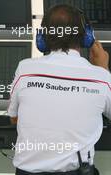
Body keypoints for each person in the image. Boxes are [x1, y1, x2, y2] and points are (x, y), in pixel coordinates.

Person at [8, 4, 110, 175]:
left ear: (42, 37)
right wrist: (103, 69)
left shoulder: (24, 69)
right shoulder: (100, 76)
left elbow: (14, 119)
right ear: (86, 36)